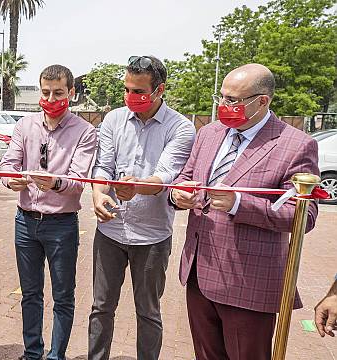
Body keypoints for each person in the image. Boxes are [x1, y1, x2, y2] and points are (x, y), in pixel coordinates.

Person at [170, 63, 319, 360]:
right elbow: (184, 177)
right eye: (222, 98)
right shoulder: (210, 133)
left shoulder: (296, 145)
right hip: (200, 271)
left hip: (248, 283)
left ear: (262, 100)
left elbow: (305, 215)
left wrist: (240, 204)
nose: (224, 106)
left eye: (233, 100)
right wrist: (177, 195)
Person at [88, 56, 195, 360]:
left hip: (152, 236)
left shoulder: (181, 128)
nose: (130, 97)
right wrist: (98, 195)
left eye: (138, 91)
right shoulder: (113, 119)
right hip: (109, 230)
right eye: (126, 89)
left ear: (160, 89)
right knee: (101, 307)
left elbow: (165, 176)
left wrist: (137, 188)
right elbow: (103, 166)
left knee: (148, 311)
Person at [0, 64, 97, 360]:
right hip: (25, 222)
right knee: (30, 294)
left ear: (72, 93)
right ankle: (32, 353)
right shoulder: (25, 125)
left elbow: (79, 180)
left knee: (63, 297)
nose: (51, 98)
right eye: (45, 92)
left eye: (58, 93)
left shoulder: (85, 131)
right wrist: (10, 179)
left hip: (62, 225)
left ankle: (56, 355)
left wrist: (55, 182)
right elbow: (8, 164)